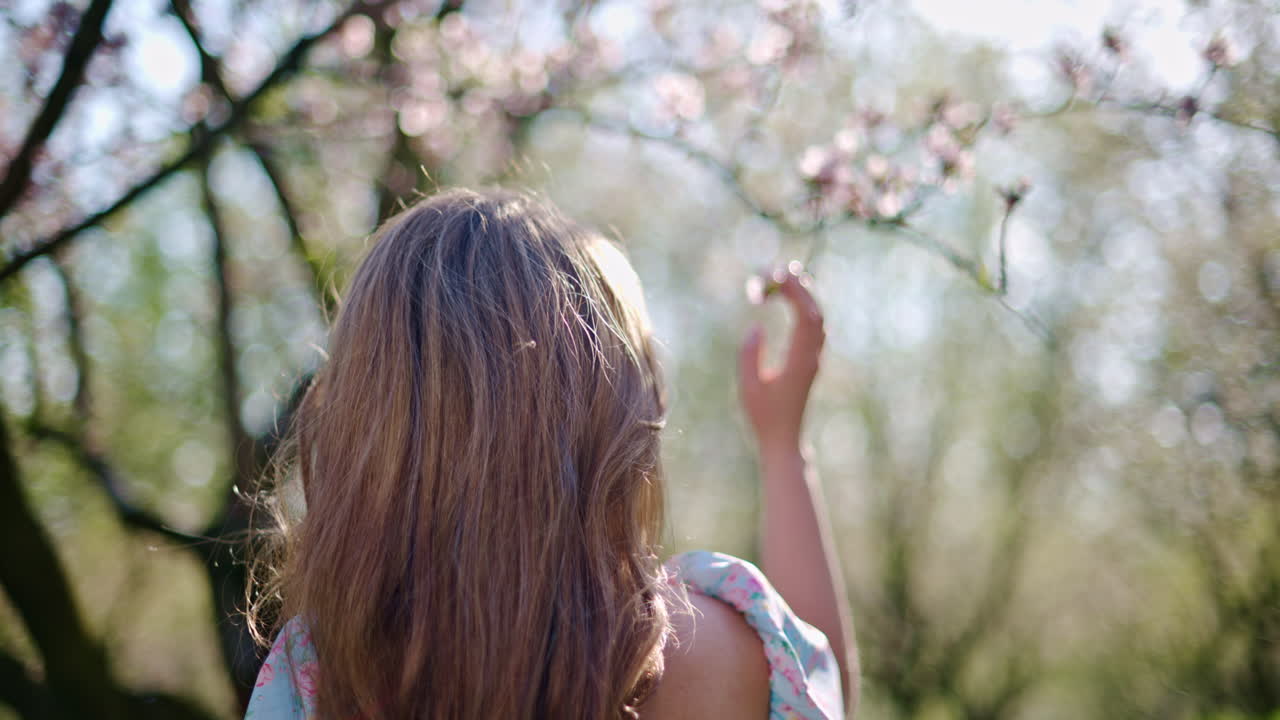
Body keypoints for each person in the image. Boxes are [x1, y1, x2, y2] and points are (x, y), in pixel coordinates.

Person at [243, 188, 858, 719]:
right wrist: (782, 448)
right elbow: (819, 688)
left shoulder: (322, 678)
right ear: (621, 421)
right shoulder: (722, 648)